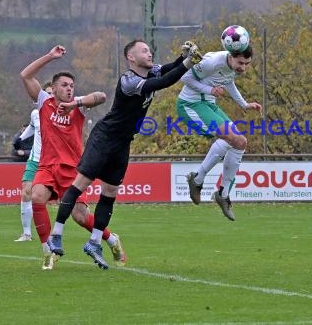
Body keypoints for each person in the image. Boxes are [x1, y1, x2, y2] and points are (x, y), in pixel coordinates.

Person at [47, 39, 202, 270]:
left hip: (123, 142)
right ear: (131, 57)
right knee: (81, 184)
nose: (149, 53)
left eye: (150, 50)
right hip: (105, 137)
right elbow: (164, 81)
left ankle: (94, 242)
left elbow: (168, 69)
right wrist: (189, 63)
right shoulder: (129, 80)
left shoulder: (150, 71)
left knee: (110, 193)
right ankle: (56, 234)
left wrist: (183, 56)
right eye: (144, 50)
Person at [20, 45, 122, 270]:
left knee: (80, 216)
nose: (69, 89)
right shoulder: (44, 102)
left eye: (71, 86)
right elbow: (25, 75)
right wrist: (50, 56)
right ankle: (47, 250)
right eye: (64, 85)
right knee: (36, 195)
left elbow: (101, 97)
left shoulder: (78, 105)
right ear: (53, 88)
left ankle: (112, 239)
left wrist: (76, 102)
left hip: (73, 169)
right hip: (47, 166)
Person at [181, 45, 262, 221]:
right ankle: (198, 180)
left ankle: (222, 193)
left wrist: (244, 104)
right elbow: (185, 77)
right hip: (191, 105)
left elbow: (228, 82)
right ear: (231, 56)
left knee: (240, 142)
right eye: (240, 62)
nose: (243, 68)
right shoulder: (212, 62)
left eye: (247, 63)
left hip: (209, 105)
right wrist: (210, 90)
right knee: (233, 139)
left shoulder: (231, 67)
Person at [14, 82, 52, 242]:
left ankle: (54, 234)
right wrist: (20, 139)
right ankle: (27, 234)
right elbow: (31, 127)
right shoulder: (36, 113)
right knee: (26, 191)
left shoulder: (62, 113)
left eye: (52, 93)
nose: (50, 96)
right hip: (35, 159)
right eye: (47, 93)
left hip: (52, 162)